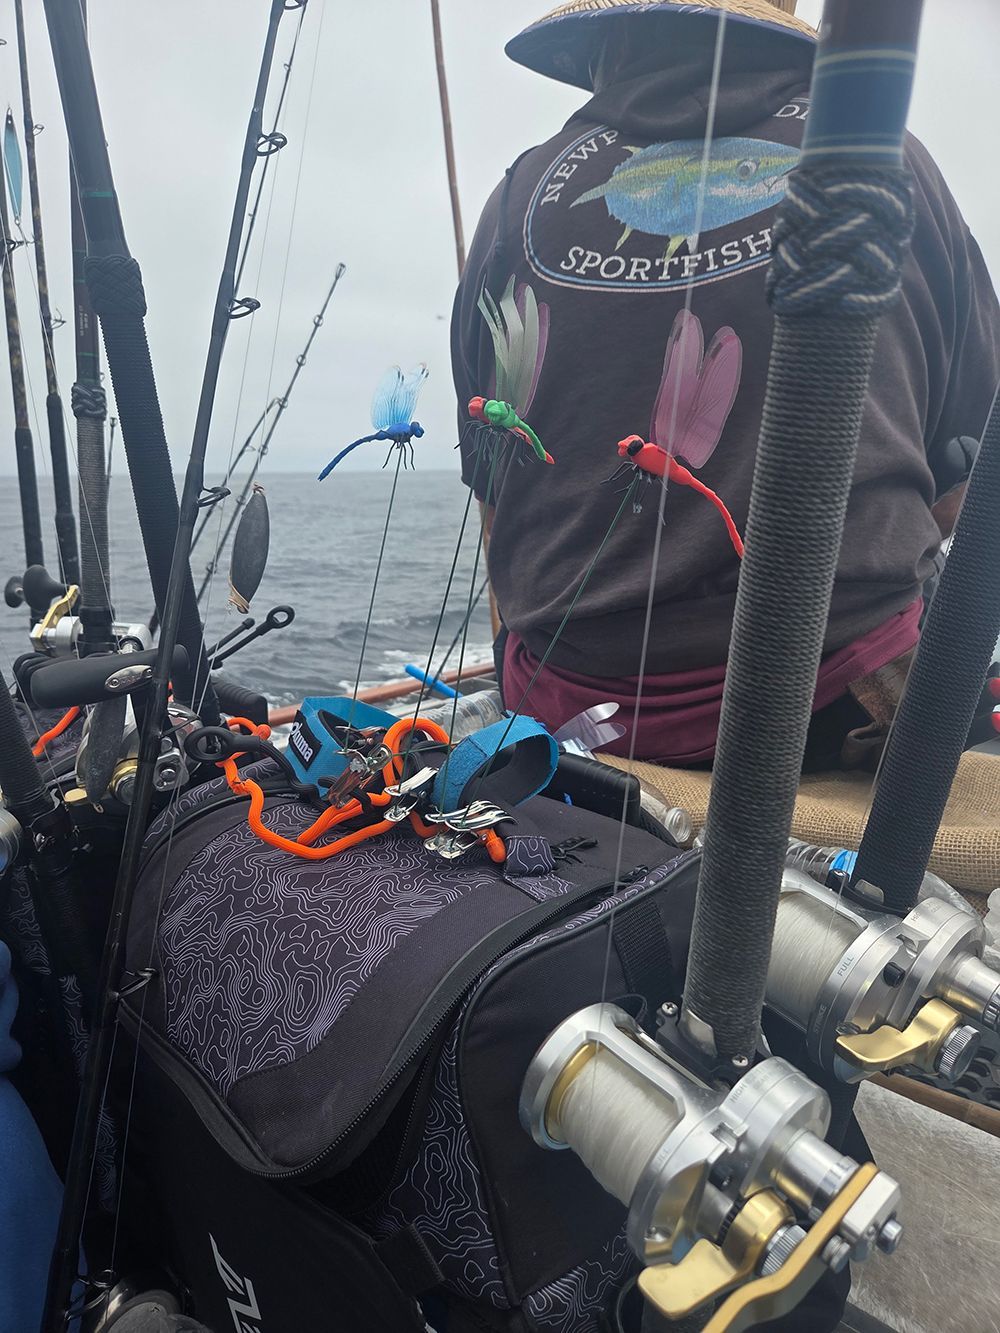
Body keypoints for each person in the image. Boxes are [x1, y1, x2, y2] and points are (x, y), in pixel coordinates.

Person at [451, 0, 1000, 770]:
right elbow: (972, 471)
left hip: (566, 710)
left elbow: (494, 480)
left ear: (605, 41)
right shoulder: (890, 159)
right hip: (838, 710)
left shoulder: (517, 195)